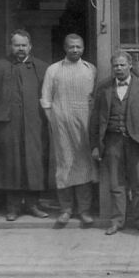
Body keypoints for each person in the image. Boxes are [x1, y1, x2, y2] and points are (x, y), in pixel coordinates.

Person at [89, 51, 139, 236]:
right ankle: (117, 221)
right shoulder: (104, 88)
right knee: (116, 183)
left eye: (122, 65)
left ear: (130, 66)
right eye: (115, 66)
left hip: (135, 142)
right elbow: (95, 119)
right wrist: (95, 145)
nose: (118, 69)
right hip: (112, 141)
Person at [0, 29, 49, 221]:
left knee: (34, 163)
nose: (20, 49)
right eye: (16, 45)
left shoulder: (42, 68)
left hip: (34, 125)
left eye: (23, 45)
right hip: (8, 126)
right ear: (10, 46)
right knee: (10, 164)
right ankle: (12, 207)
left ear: (30, 46)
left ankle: (32, 205)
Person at [40, 34, 97, 227]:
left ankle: (84, 210)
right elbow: (46, 99)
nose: (75, 50)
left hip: (84, 125)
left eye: (78, 47)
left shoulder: (90, 70)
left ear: (83, 48)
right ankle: (65, 209)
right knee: (64, 163)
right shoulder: (53, 70)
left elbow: (95, 99)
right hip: (61, 124)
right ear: (65, 48)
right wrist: (55, 121)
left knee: (84, 164)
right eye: (71, 47)